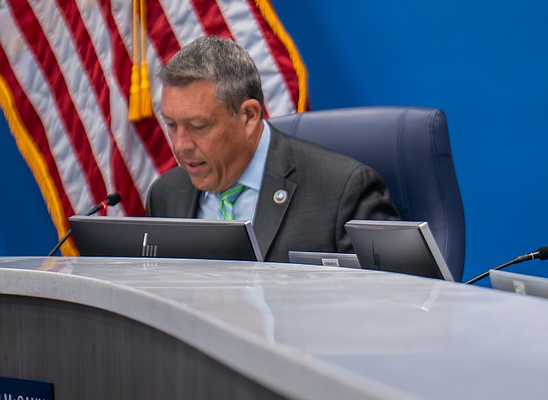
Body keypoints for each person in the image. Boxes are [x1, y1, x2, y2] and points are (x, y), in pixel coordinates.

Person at [146, 36, 399, 261]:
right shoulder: (166, 195)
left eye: (199, 126)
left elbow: (387, 300)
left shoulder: (342, 190)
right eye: (171, 125)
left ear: (248, 115)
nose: (180, 145)